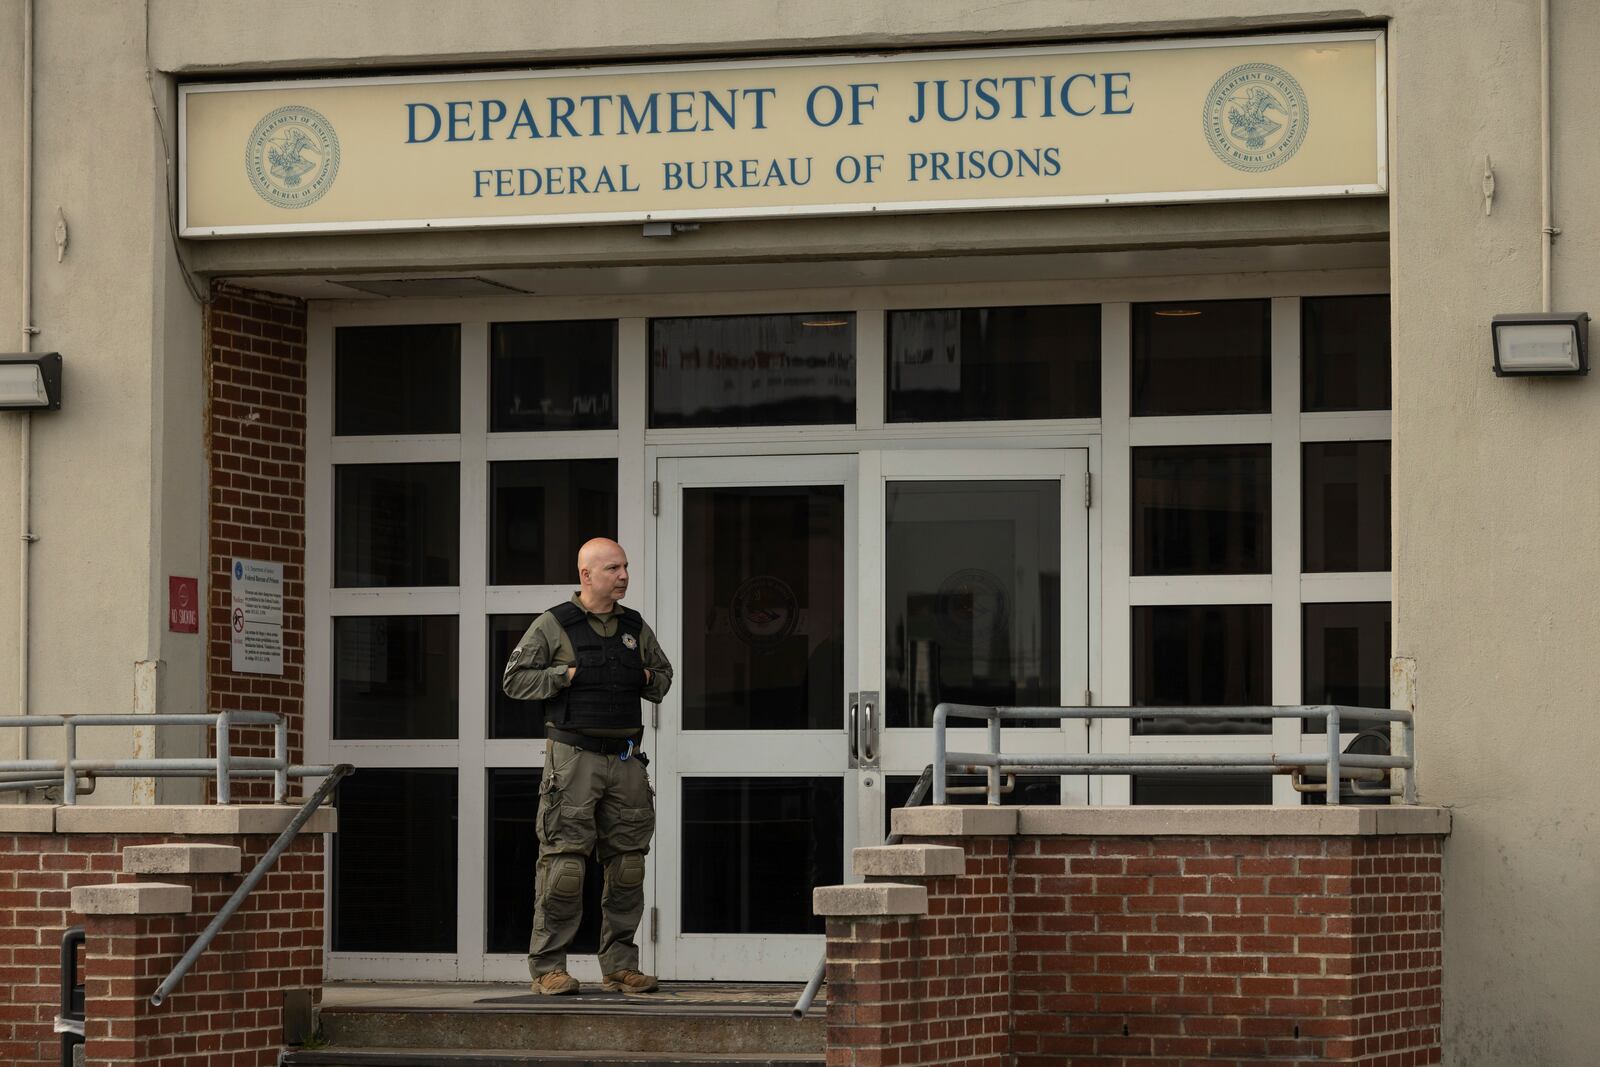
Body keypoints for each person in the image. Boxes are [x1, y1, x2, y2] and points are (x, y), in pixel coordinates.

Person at [502, 537, 673, 995]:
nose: (624, 576)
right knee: (564, 865)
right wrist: (568, 675)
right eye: (614, 568)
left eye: (626, 567)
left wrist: (640, 676)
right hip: (573, 759)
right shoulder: (554, 625)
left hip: (625, 759)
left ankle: (620, 965)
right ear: (587, 575)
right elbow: (514, 681)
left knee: (628, 864)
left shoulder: (634, 626)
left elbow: (663, 678)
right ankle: (549, 968)